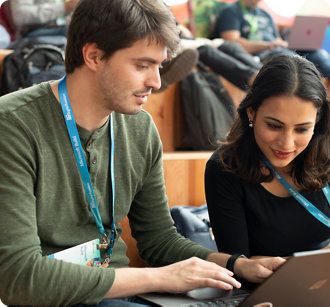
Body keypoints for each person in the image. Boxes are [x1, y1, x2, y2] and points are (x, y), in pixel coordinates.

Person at [0, 0, 286, 306]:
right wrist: (161, 277)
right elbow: (21, 279)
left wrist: (237, 265)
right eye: (142, 65)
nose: (156, 82)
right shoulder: (13, 124)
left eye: (159, 66)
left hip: (121, 296)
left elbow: (159, 240)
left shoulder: (140, 127)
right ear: (93, 56)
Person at [204, 52, 330, 306]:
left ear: (317, 120)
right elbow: (241, 263)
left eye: (302, 129)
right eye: (274, 125)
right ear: (251, 112)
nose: (286, 143)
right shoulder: (224, 167)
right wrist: (324, 258)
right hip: (265, 289)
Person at [215, 0, 330, 101]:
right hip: (262, 56)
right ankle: (316, 97)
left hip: (278, 50)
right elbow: (232, 42)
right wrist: (269, 45)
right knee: (289, 57)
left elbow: (277, 41)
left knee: (317, 54)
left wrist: (283, 42)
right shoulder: (232, 11)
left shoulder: (264, 15)